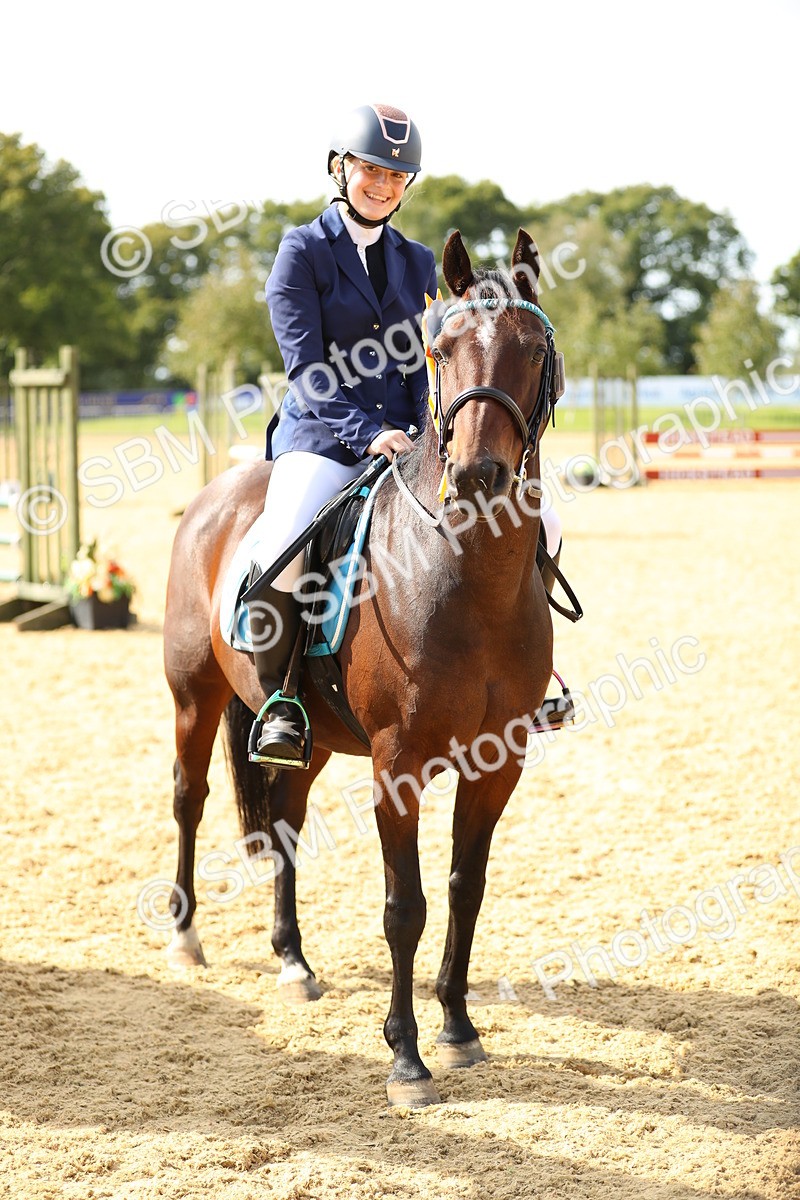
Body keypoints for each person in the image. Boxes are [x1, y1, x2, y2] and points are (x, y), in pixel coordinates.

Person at [248, 103, 438, 766]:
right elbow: (307, 370)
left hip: (407, 438)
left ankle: (525, 677)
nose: (383, 185)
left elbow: (420, 365)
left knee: (503, 517)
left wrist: (426, 432)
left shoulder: (417, 261)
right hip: (322, 436)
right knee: (286, 538)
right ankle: (280, 699)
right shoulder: (301, 251)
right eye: (371, 170)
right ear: (340, 168)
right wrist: (367, 433)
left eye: (397, 175)